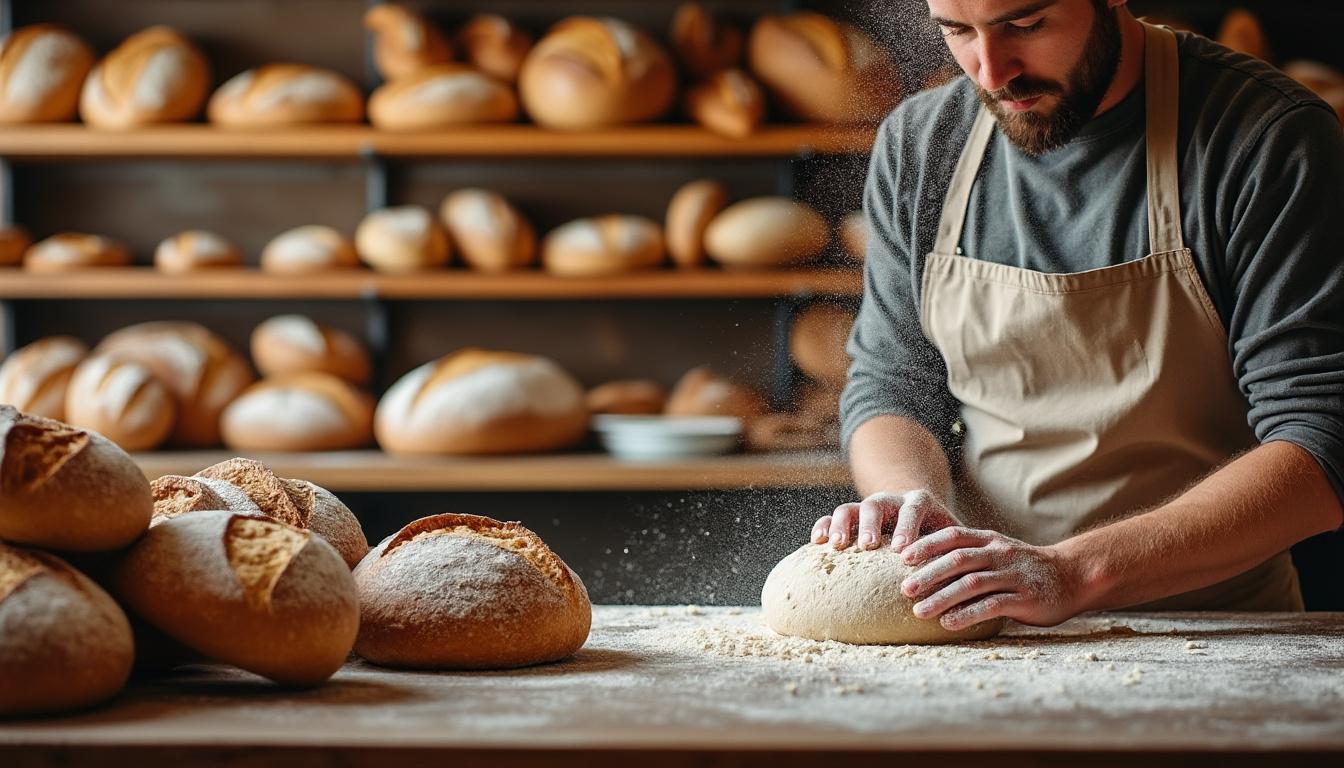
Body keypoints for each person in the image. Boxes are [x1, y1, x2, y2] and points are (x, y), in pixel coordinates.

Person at [815, 0, 1344, 631]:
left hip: (1220, 630)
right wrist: (907, 498)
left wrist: (1071, 571)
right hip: (989, 626)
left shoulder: (1265, 136)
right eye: (957, 31)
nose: (991, 72)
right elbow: (891, 387)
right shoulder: (923, 144)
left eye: (1025, 24)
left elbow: (1320, 440)